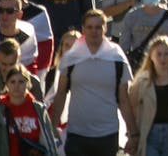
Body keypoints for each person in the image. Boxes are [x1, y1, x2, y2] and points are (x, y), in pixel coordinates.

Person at [49, 9, 137, 156]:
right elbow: (60, 96)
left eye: (98, 27)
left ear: (105, 28)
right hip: (77, 133)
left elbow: (124, 100)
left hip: (107, 134)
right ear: (83, 29)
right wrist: (52, 127)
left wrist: (133, 134)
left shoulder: (116, 58)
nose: (93, 31)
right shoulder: (71, 59)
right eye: (89, 27)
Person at [0, 63, 62, 156]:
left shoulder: (39, 109)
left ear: (28, 84)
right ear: (6, 84)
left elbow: (49, 142)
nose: (16, 86)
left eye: (21, 82)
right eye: (12, 82)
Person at [126, 35, 168, 156]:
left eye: (167, 54)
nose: (163, 58)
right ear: (151, 56)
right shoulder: (141, 82)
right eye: (159, 54)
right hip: (149, 133)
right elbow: (132, 110)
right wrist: (132, 135)